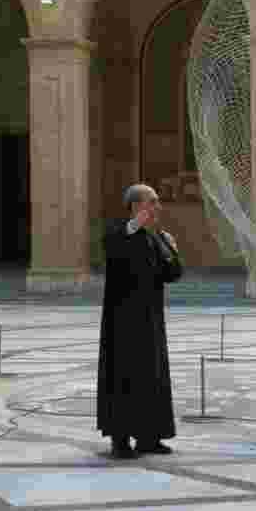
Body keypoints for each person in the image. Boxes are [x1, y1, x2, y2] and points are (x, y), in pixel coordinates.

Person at [96, 183, 183, 459]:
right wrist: (134, 225)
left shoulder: (156, 237)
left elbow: (172, 275)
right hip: (123, 323)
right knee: (124, 378)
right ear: (135, 206)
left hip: (151, 321)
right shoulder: (118, 230)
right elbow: (114, 247)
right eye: (152, 202)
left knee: (152, 377)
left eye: (157, 202)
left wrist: (172, 250)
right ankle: (120, 441)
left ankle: (149, 437)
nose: (158, 207)